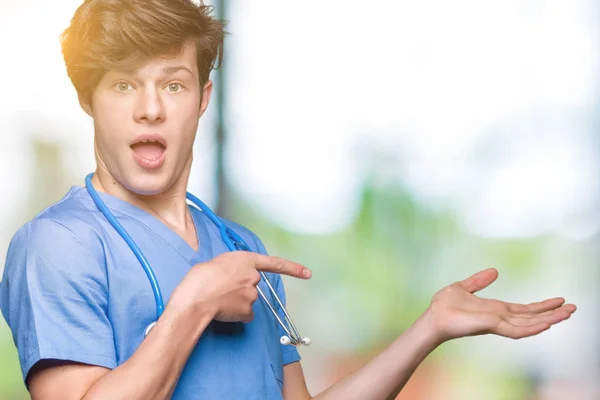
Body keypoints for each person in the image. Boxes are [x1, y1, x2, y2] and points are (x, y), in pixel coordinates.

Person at [0, 1, 577, 399]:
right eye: (124, 84)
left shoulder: (239, 249)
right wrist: (195, 302)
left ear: (202, 99)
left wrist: (430, 328)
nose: (150, 108)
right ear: (88, 100)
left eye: (172, 84)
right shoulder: (59, 245)